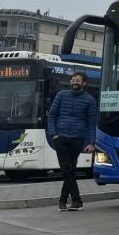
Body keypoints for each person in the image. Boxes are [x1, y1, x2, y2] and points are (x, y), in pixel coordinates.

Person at [47, 71, 98, 211]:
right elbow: (51, 115)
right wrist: (54, 134)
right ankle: (76, 200)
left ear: (84, 83)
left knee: (69, 169)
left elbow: (92, 123)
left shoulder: (89, 100)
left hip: (77, 139)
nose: (75, 82)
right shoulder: (61, 95)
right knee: (66, 169)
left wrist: (91, 143)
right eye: (73, 80)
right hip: (61, 138)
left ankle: (64, 202)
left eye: (78, 80)